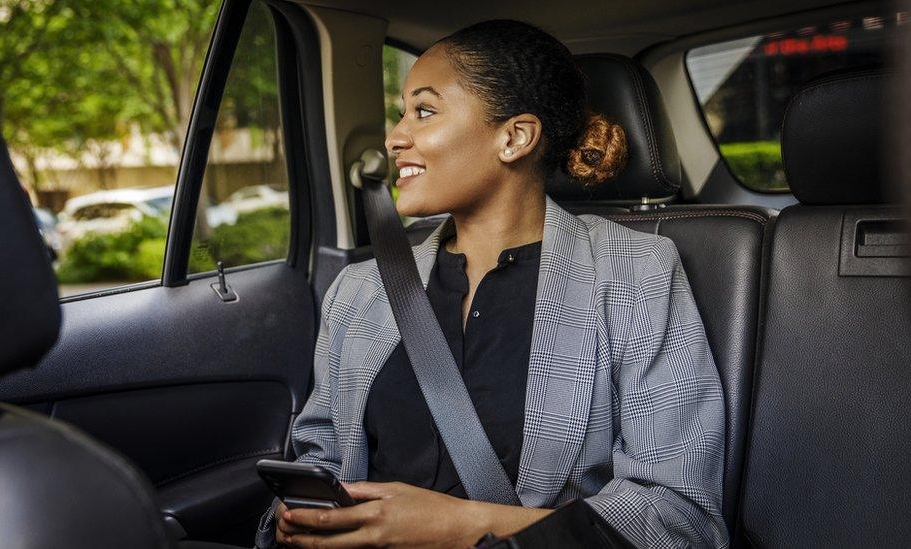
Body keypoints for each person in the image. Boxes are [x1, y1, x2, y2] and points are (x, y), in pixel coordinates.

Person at [256, 19, 728, 549]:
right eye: (401, 111)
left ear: (514, 137)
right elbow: (322, 455)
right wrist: (300, 516)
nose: (394, 136)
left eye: (424, 110)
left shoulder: (635, 273)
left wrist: (459, 527)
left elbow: (678, 519)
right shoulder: (360, 290)